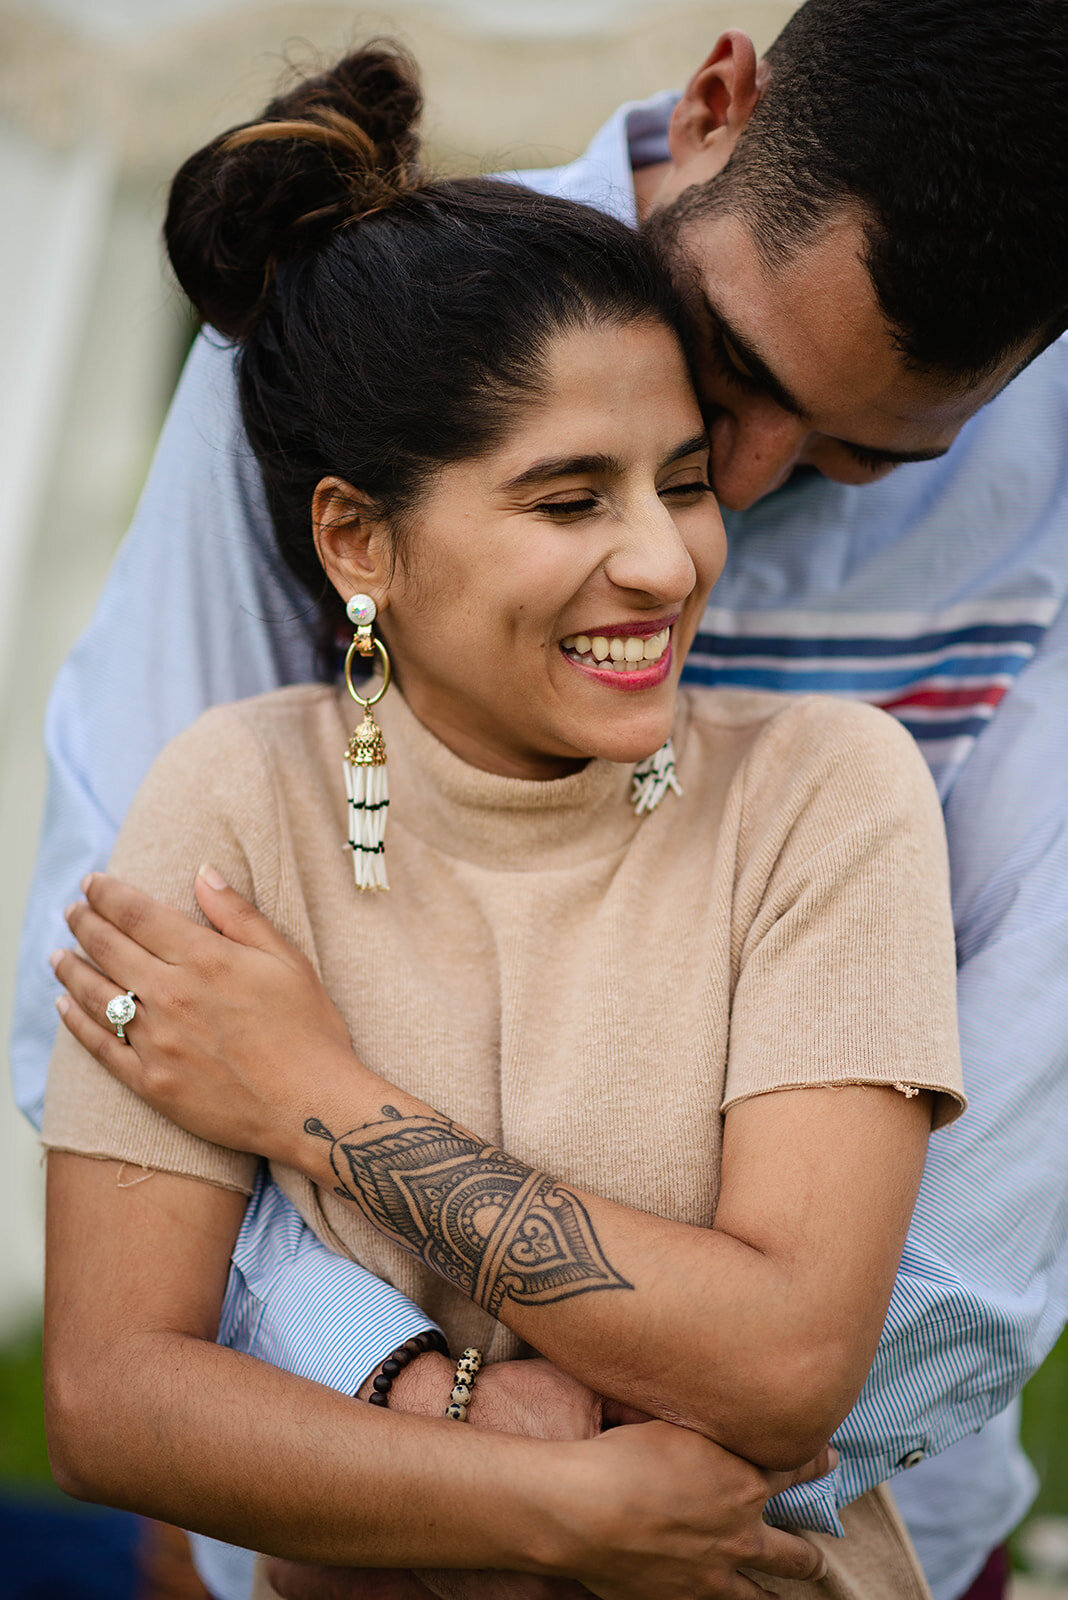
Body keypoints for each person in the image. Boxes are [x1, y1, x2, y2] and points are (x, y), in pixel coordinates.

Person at [14, 0, 1068, 1596]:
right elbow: (134, 1020)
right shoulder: (355, 361)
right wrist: (431, 1417)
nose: (735, 495)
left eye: (866, 461)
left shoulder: (833, 786)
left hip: (801, 1531)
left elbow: (985, 1193)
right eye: (731, 372)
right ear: (717, 102)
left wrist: (320, 1105)